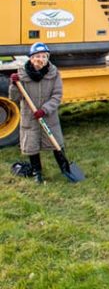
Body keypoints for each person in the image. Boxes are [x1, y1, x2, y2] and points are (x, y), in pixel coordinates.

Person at [8, 42, 69, 184]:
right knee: (32, 145)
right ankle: (37, 173)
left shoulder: (54, 74)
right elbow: (14, 98)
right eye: (37, 56)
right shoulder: (21, 74)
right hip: (30, 117)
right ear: (30, 58)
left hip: (49, 116)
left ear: (47, 58)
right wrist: (13, 84)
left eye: (43, 56)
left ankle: (65, 168)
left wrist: (44, 110)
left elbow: (57, 96)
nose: (40, 59)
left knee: (56, 143)